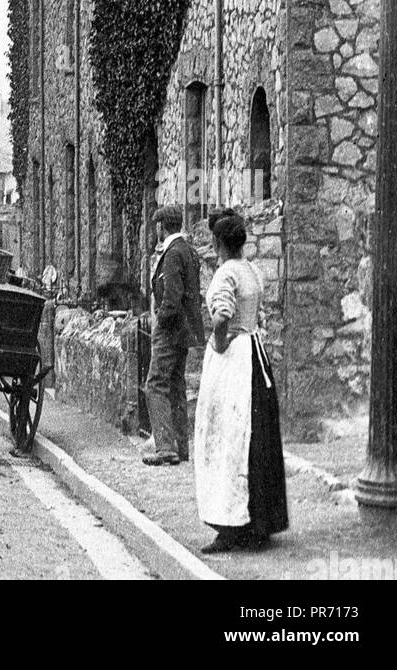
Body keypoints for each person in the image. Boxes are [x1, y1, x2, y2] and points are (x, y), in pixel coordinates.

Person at [194, 211, 289, 552]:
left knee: (226, 438)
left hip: (233, 360)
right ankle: (258, 524)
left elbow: (221, 316)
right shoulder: (251, 270)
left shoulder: (225, 274)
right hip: (254, 353)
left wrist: (219, 344)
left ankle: (229, 526)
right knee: (255, 437)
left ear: (218, 243)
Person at [143, 205, 205, 466]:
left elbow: (172, 297)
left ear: (160, 227)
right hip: (185, 330)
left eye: (156, 225)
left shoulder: (171, 253)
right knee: (177, 385)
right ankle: (181, 447)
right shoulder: (189, 250)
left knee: (155, 385)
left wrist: (161, 322)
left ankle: (165, 447)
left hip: (170, 329)